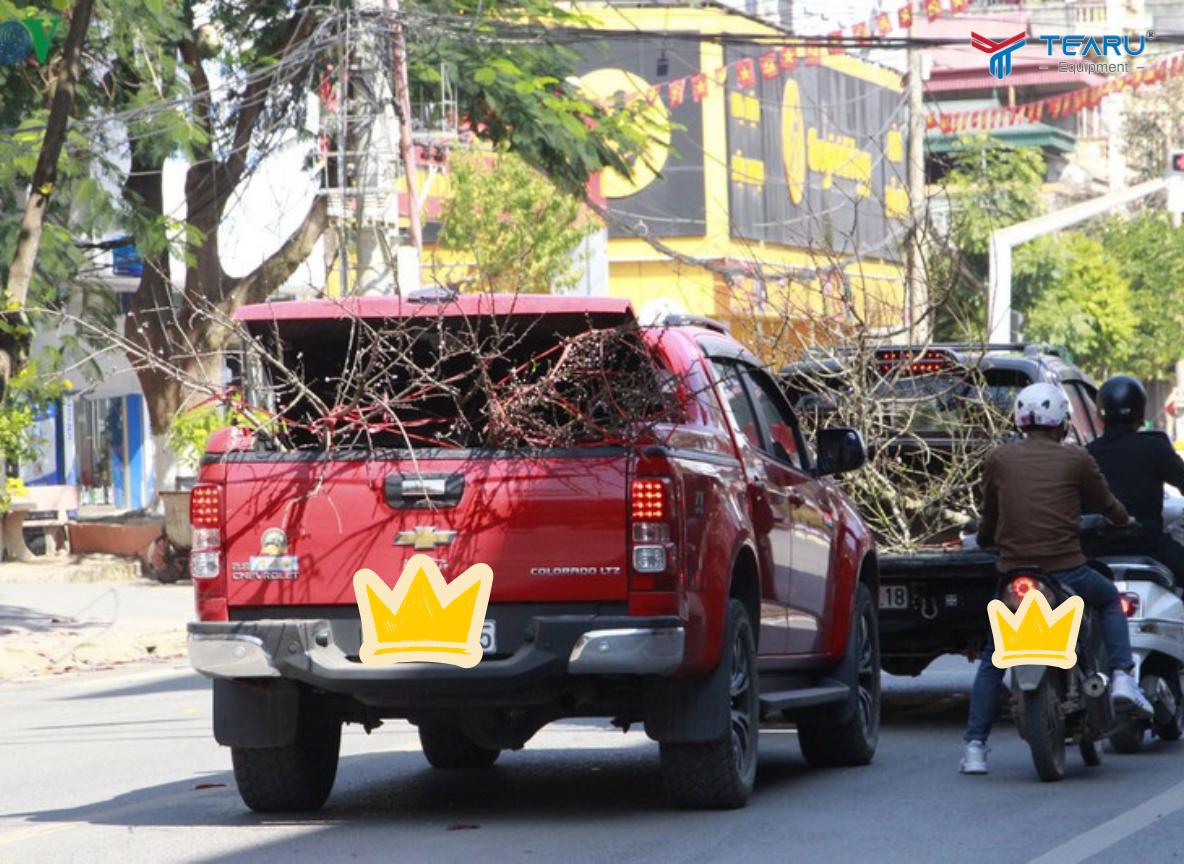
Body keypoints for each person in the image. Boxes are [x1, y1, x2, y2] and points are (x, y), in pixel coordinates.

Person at [960, 382, 1153, 775]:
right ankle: (1122, 676)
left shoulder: (998, 459)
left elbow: (990, 515)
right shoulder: (1076, 458)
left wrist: (983, 539)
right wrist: (1125, 521)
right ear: (1062, 421)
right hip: (1069, 573)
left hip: (1015, 576)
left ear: (1020, 421)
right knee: (1109, 600)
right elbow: (1107, 504)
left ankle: (975, 748)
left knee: (994, 657)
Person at [1085, 375, 1184, 584]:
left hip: (1095, 550)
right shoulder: (1155, 448)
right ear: (1140, 413)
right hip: (1150, 546)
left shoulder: (1085, 454)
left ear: (1101, 414)